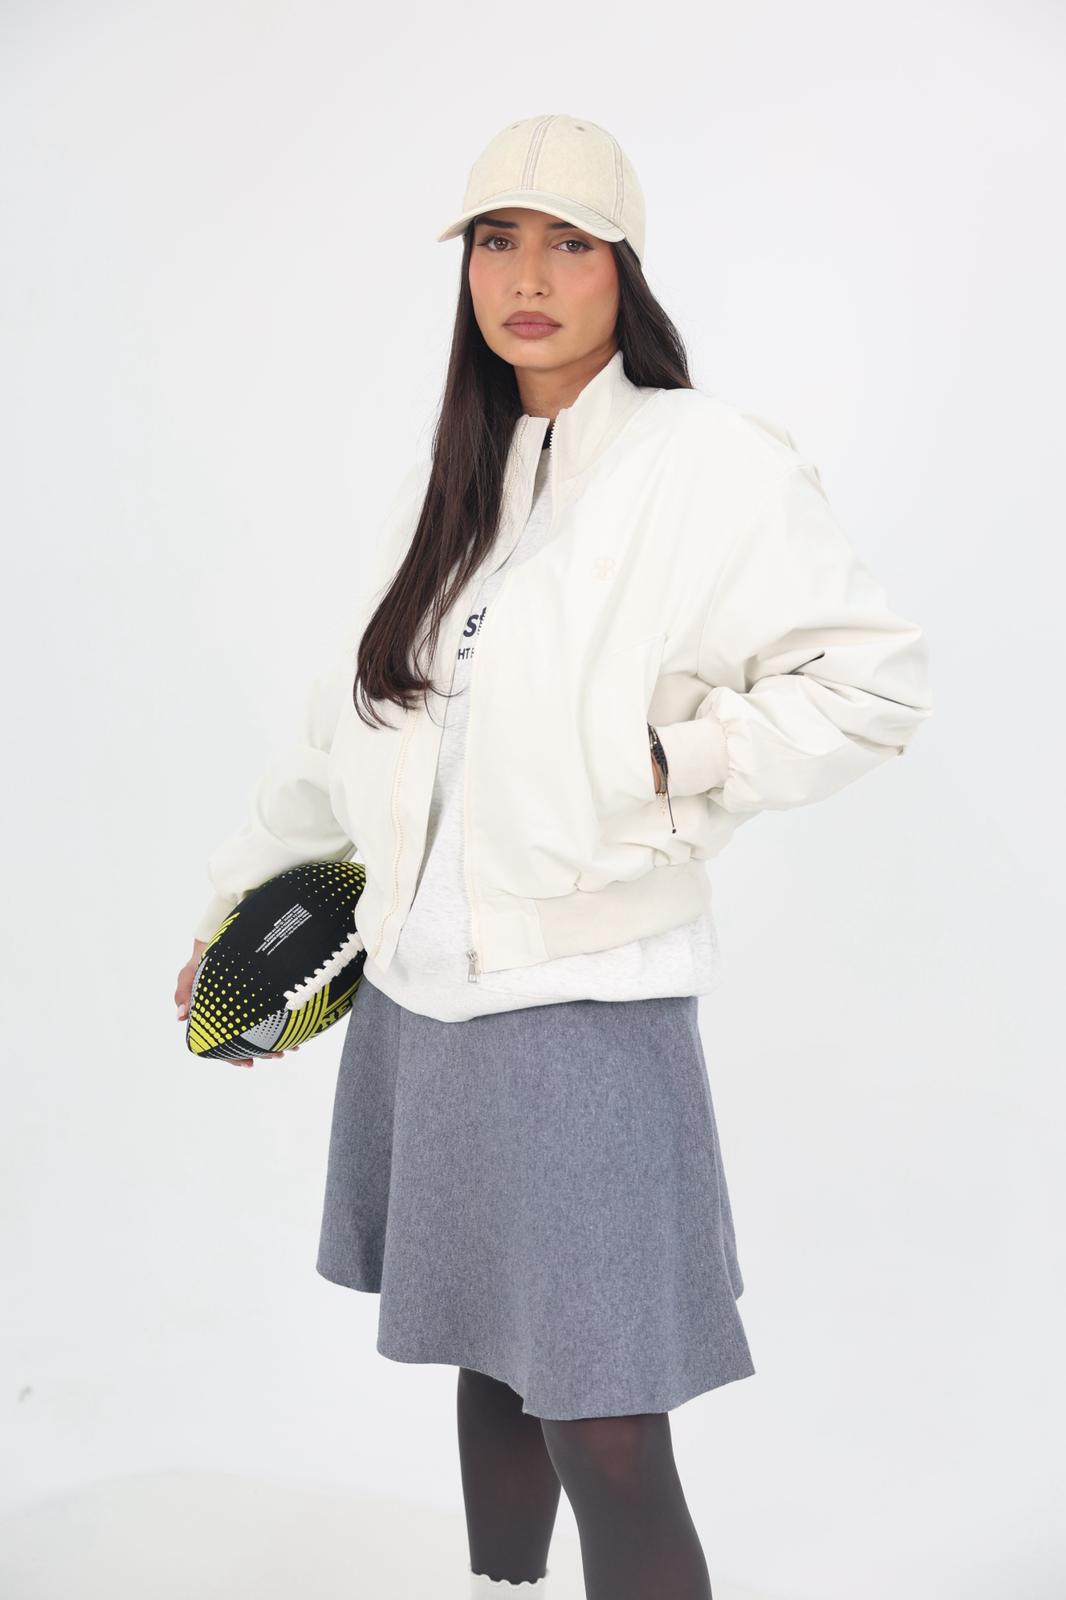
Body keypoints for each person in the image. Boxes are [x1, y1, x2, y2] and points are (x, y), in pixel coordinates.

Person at [174, 113, 933, 1599]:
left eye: (568, 242)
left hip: (584, 1002)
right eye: (496, 240)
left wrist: (667, 763)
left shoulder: (705, 460)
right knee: (493, 1356)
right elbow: (347, 733)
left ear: (622, 269)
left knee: (606, 1426)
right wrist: (229, 913)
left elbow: (874, 685)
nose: (526, 276)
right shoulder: (459, 480)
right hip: (421, 1000)